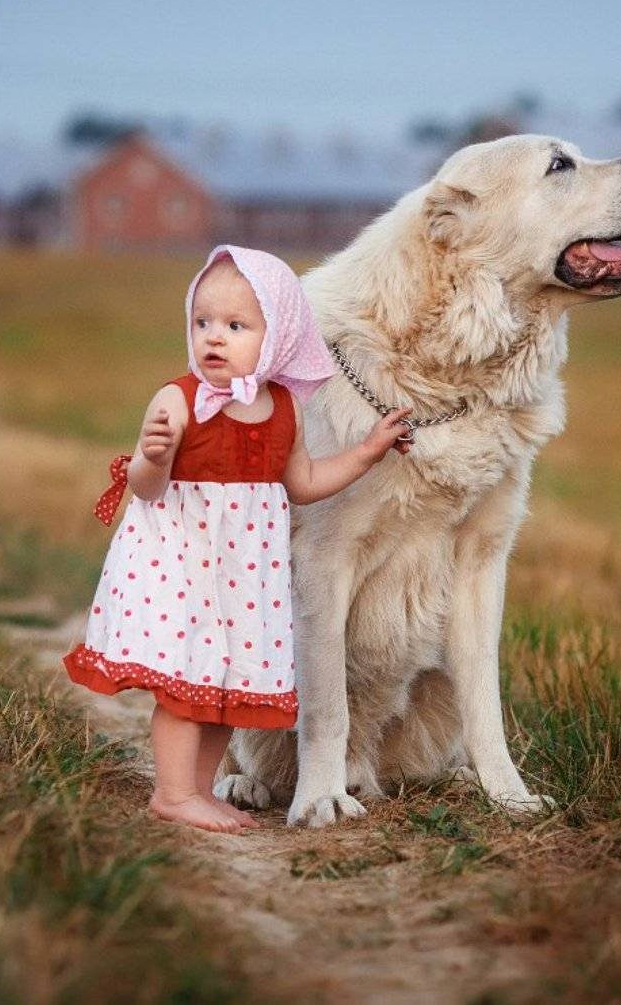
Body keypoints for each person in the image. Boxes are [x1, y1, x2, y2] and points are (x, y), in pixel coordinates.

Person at [62, 245, 411, 834]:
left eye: (235, 326)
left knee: (228, 681)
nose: (213, 338)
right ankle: (173, 792)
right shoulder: (179, 400)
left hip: (245, 575)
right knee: (184, 680)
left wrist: (366, 451)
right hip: (180, 561)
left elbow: (302, 484)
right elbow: (146, 490)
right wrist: (155, 456)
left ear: (278, 338)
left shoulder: (284, 410)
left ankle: (198, 789)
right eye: (202, 323)